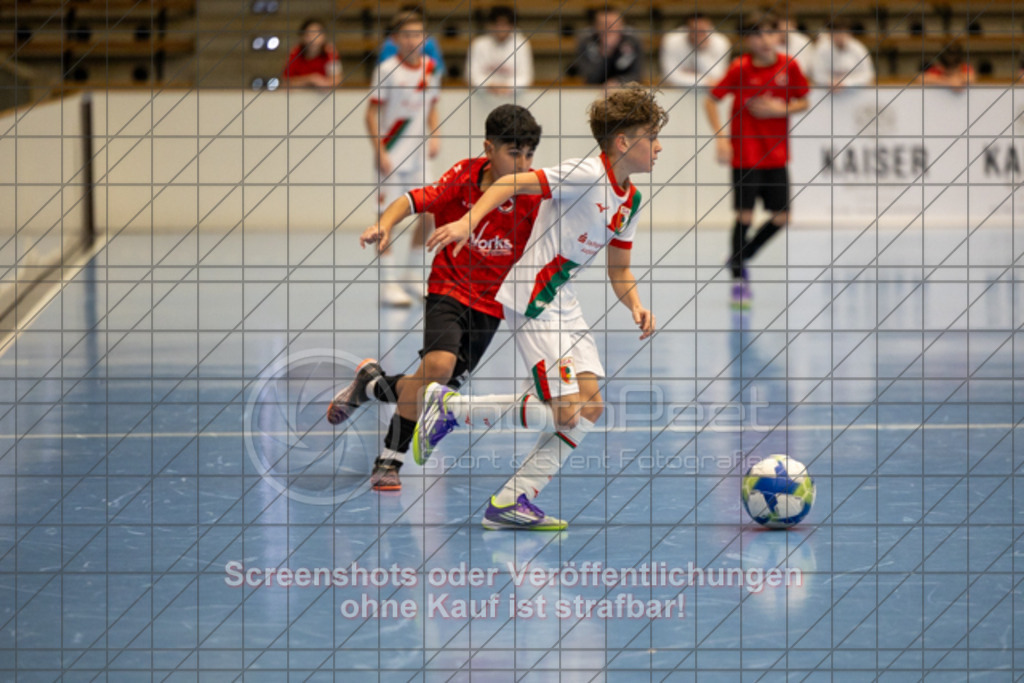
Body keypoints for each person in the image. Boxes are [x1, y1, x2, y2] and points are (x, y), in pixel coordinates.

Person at [415, 85, 667, 531]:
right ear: (624, 143)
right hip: (531, 297)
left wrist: (638, 305)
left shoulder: (631, 202)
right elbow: (512, 181)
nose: (659, 147)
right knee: (566, 410)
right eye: (652, 136)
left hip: (562, 300)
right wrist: (466, 221)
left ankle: (512, 500)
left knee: (589, 408)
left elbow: (619, 270)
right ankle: (451, 410)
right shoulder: (588, 173)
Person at [327, 105, 544, 491]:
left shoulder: (532, 193)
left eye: (530, 154)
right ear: (488, 149)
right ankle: (389, 461)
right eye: (515, 153)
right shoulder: (462, 177)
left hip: (492, 304)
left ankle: (371, 384)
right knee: (438, 367)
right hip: (449, 287)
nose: (524, 162)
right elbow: (412, 200)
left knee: (436, 390)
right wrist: (384, 224)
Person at [704, 12, 810, 309]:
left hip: (776, 155)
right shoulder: (740, 69)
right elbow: (711, 99)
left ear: (779, 35)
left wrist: (781, 108)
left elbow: (803, 99)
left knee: (781, 218)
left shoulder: (790, 66)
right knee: (745, 217)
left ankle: (739, 257)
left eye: (769, 33)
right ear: (747, 40)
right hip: (746, 156)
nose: (764, 40)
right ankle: (739, 281)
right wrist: (722, 138)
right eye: (756, 34)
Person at [366, 8, 442, 307]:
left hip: (419, 154)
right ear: (395, 39)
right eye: (408, 35)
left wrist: (435, 133)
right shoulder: (386, 70)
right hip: (391, 155)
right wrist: (380, 150)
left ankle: (412, 273)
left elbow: (431, 105)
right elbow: (371, 114)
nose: (414, 40)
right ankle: (388, 285)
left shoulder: (430, 67)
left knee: (431, 213)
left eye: (419, 34)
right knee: (388, 219)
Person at [467, 5, 534, 95]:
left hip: (513, 96)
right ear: (490, 25)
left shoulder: (521, 44)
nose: (500, 29)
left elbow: (526, 77)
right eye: (496, 24)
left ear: (512, 26)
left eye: (504, 25)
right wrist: (489, 85)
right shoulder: (478, 44)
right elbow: (472, 75)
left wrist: (508, 86)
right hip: (483, 97)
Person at [573, 6, 643, 86]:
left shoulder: (632, 42)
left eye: (614, 24)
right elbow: (590, 77)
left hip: (624, 91)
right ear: (596, 26)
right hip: (594, 92)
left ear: (621, 25)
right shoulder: (586, 43)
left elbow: (637, 75)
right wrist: (606, 51)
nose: (609, 28)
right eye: (604, 24)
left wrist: (618, 82)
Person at [659, 12, 732, 88]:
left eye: (703, 30)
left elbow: (717, 77)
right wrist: (704, 81)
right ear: (687, 29)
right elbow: (670, 76)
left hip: (707, 92)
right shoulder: (671, 41)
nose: (699, 34)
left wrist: (701, 51)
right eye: (695, 30)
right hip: (677, 90)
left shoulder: (721, 42)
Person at [379, 5, 446, 78]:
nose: (411, 42)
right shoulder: (389, 43)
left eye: (416, 35)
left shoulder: (430, 43)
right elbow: (384, 67)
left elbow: (439, 69)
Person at [809, 17, 875, 91]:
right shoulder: (821, 49)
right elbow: (816, 74)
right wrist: (829, 82)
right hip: (827, 91)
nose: (840, 36)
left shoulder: (858, 48)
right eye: (836, 33)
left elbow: (868, 74)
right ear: (830, 34)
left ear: (850, 33)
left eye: (843, 32)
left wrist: (845, 83)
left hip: (853, 92)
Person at [281, 18, 342, 89]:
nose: (312, 39)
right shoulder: (294, 53)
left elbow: (336, 81)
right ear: (302, 37)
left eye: (316, 34)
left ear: (324, 36)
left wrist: (323, 82)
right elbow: (285, 82)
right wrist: (310, 79)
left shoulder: (330, 53)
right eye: (308, 35)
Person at [774, 16, 814, 81]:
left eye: (786, 26)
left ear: (792, 25)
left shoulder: (802, 42)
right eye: (779, 28)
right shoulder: (769, 42)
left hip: (797, 80)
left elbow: (803, 70)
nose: (783, 30)